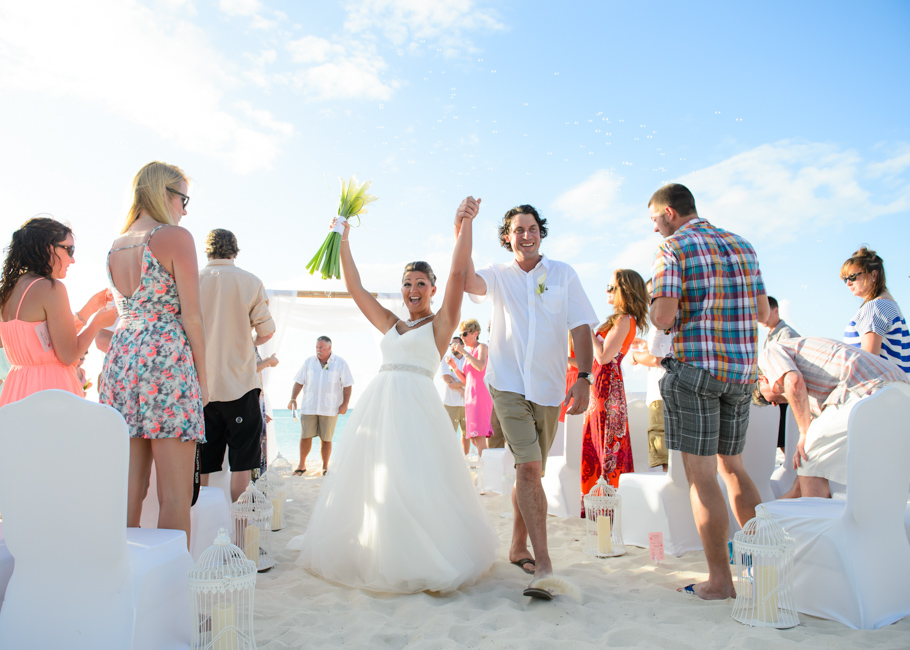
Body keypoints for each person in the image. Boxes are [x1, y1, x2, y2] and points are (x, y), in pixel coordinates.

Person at [287, 202, 497, 594]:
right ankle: (380, 549)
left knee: (416, 481)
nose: (413, 290)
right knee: (377, 482)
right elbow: (355, 287)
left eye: (420, 283)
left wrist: (464, 225)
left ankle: (419, 555)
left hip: (417, 410)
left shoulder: (442, 323)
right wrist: (343, 235)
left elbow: (456, 272)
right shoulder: (390, 322)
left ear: (432, 289)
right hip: (378, 409)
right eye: (407, 283)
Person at [462, 199, 597, 600]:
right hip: (506, 385)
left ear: (542, 231)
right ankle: (545, 566)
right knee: (528, 469)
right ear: (508, 238)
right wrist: (463, 226)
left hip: (550, 387)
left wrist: (585, 378)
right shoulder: (498, 275)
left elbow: (581, 327)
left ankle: (517, 546)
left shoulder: (564, 274)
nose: (526, 234)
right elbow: (468, 281)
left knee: (529, 472)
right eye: (517, 229)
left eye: (532, 227)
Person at [649, 183, 769, 601]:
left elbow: (663, 318)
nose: (655, 230)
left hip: (697, 369)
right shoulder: (743, 244)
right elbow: (762, 313)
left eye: (654, 221)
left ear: (669, 212)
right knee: (733, 468)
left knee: (701, 478)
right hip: (740, 373)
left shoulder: (674, 248)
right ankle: (761, 571)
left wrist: (654, 306)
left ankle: (720, 582)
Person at [99, 161, 207, 546]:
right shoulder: (175, 237)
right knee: (175, 495)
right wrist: (203, 380)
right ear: (164, 193)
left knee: (129, 491)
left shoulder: (117, 244)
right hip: (165, 359)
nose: (185, 208)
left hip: (122, 356)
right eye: (183, 198)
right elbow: (192, 317)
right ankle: (172, 597)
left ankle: (123, 585)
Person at [755, 337, 909, 498]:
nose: (773, 405)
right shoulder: (816, 387)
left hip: (865, 388)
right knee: (819, 465)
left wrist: (805, 434)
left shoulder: (770, 352)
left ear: (762, 380)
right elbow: (802, 483)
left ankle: (814, 521)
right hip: (901, 390)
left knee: (810, 453)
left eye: (763, 399)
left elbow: (793, 382)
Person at [0, 218, 116, 407]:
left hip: (16, 390)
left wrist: (90, 308)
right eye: (68, 250)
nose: (73, 259)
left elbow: (43, 342)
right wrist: (98, 323)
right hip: (51, 391)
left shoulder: (8, 291)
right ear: (47, 248)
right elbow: (69, 355)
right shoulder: (51, 288)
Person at [198, 228, 275, 502]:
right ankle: (240, 535)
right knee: (242, 463)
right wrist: (246, 343)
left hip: (201, 386)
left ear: (207, 251)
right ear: (235, 252)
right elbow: (267, 332)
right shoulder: (250, 282)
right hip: (241, 385)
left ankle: (204, 532)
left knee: (203, 465)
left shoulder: (191, 280)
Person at [580, 269, 648, 507]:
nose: (606, 291)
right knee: (600, 437)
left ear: (624, 291)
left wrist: (588, 331)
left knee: (604, 438)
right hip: (601, 384)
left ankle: (605, 501)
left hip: (606, 385)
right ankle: (600, 501)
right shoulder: (623, 319)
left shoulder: (624, 319)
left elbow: (605, 357)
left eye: (611, 288)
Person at [287, 336, 353, 476]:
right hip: (309, 406)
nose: (318, 350)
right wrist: (293, 398)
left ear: (330, 348)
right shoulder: (309, 362)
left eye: (321, 347)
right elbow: (299, 382)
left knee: (326, 439)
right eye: (317, 347)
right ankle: (302, 465)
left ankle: (325, 467)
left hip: (330, 408)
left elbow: (347, 385)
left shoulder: (340, 363)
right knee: (305, 437)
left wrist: (345, 404)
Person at [841, 247, 909, 374]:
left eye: (853, 277)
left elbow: (868, 361)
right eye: (845, 279)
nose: (848, 283)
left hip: (876, 390)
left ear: (874, 275)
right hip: (897, 389)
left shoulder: (874, 307)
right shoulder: (891, 307)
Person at [630, 279, 672, 472]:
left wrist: (636, 356)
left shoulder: (659, 322)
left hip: (661, 393)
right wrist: (647, 346)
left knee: (662, 444)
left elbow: (657, 360)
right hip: (679, 390)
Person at [760, 296, 800, 452]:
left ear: (775, 309)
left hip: (786, 395)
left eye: (765, 311)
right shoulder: (770, 336)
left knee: (788, 442)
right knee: (783, 441)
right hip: (777, 395)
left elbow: (789, 369)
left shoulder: (786, 334)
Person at [449, 318, 493, 456]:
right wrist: (454, 366)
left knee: (479, 437)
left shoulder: (482, 347)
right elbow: (466, 380)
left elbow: (480, 366)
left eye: (465, 334)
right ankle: (484, 466)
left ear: (475, 333)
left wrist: (463, 353)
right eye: (461, 335)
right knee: (474, 438)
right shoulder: (469, 353)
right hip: (470, 397)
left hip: (480, 396)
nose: (462, 338)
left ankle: (486, 471)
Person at [440, 336, 469, 454]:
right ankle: (449, 458)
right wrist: (462, 390)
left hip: (467, 403)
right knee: (449, 434)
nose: (453, 347)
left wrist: (458, 384)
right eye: (451, 344)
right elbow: (447, 379)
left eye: (456, 344)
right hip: (451, 402)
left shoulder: (468, 359)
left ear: (462, 345)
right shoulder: (446, 359)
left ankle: (466, 458)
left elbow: (471, 379)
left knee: (467, 434)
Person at [254, 348, 279, 478]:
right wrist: (269, 361)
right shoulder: (243, 342)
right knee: (247, 460)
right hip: (245, 405)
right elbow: (247, 370)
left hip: (253, 403)